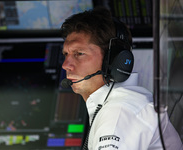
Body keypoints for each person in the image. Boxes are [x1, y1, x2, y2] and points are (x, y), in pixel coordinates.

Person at [61, 6, 183, 150]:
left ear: (112, 59)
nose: (66, 65)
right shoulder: (114, 105)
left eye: (79, 53)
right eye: (66, 55)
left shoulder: (119, 111)